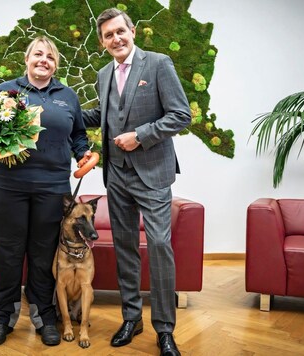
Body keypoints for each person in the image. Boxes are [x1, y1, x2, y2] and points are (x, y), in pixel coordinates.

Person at [82, 8, 191, 356]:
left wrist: (140, 136)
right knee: (125, 248)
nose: (115, 39)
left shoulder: (158, 64)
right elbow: (105, 114)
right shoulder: (102, 74)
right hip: (116, 175)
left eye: (120, 31)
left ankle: (164, 329)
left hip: (153, 172)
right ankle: (131, 318)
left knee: (159, 245)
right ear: (102, 43)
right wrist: (62, 111)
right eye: (108, 35)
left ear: (132, 31)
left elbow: (180, 114)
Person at [0, 36, 90, 347]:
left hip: (53, 188)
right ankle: (2, 318)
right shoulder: (6, 91)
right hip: (6, 186)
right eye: (38, 54)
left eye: (50, 57)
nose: (44, 60)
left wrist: (83, 153)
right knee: (7, 253)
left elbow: (79, 135)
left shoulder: (67, 96)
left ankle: (44, 317)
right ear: (27, 59)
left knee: (44, 256)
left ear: (56, 65)